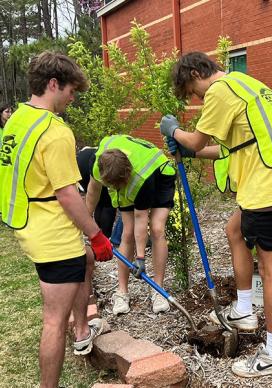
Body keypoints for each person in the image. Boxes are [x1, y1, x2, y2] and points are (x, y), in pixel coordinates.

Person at [161, 52, 272, 377]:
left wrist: (174, 132)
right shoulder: (244, 84)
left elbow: (197, 139)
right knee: (235, 231)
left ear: (198, 72)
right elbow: (230, 147)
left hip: (268, 179)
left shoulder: (220, 90)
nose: (195, 98)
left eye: (191, 90)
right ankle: (244, 309)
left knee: (271, 269)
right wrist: (192, 150)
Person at [0, 51, 113, 388]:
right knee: (53, 319)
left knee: (87, 261)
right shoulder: (55, 131)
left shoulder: (17, 119)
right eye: (70, 90)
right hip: (50, 231)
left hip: (28, 219)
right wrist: (96, 234)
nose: (72, 98)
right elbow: (67, 195)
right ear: (53, 84)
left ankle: (82, 332)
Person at [85, 134, 176, 315]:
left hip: (158, 175)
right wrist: (84, 221)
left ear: (127, 173)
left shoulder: (140, 178)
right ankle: (122, 292)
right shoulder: (97, 165)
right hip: (130, 176)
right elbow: (92, 193)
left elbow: (141, 219)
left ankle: (158, 289)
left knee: (157, 229)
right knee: (127, 233)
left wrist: (140, 259)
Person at [77, 146, 116, 237]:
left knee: (97, 200)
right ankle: (105, 235)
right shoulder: (116, 155)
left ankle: (94, 231)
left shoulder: (103, 147)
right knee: (108, 203)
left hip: (80, 166)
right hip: (95, 165)